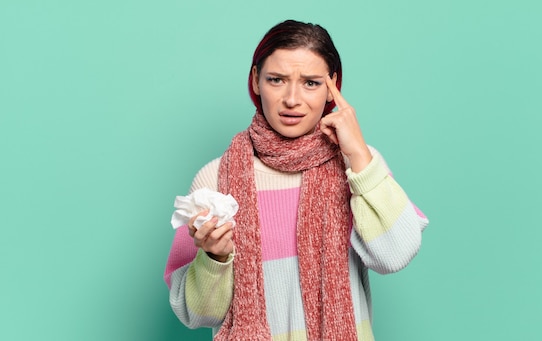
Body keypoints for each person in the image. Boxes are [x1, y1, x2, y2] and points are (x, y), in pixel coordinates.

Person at [164, 19, 429, 340]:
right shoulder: (215, 179)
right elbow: (194, 314)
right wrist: (214, 258)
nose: (292, 99)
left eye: (311, 83)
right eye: (276, 79)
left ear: (333, 85)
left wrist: (358, 153)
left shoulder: (360, 166)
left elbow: (396, 255)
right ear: (256, 80)